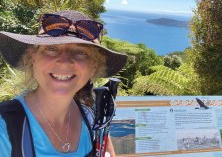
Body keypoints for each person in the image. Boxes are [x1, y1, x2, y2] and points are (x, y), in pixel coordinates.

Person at [0, 10, 127, 156]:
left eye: (80, 52)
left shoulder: (89, 119)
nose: (65, 61)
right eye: (51, 49)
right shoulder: (5, 127)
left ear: (93, 66)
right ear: (33, 58)